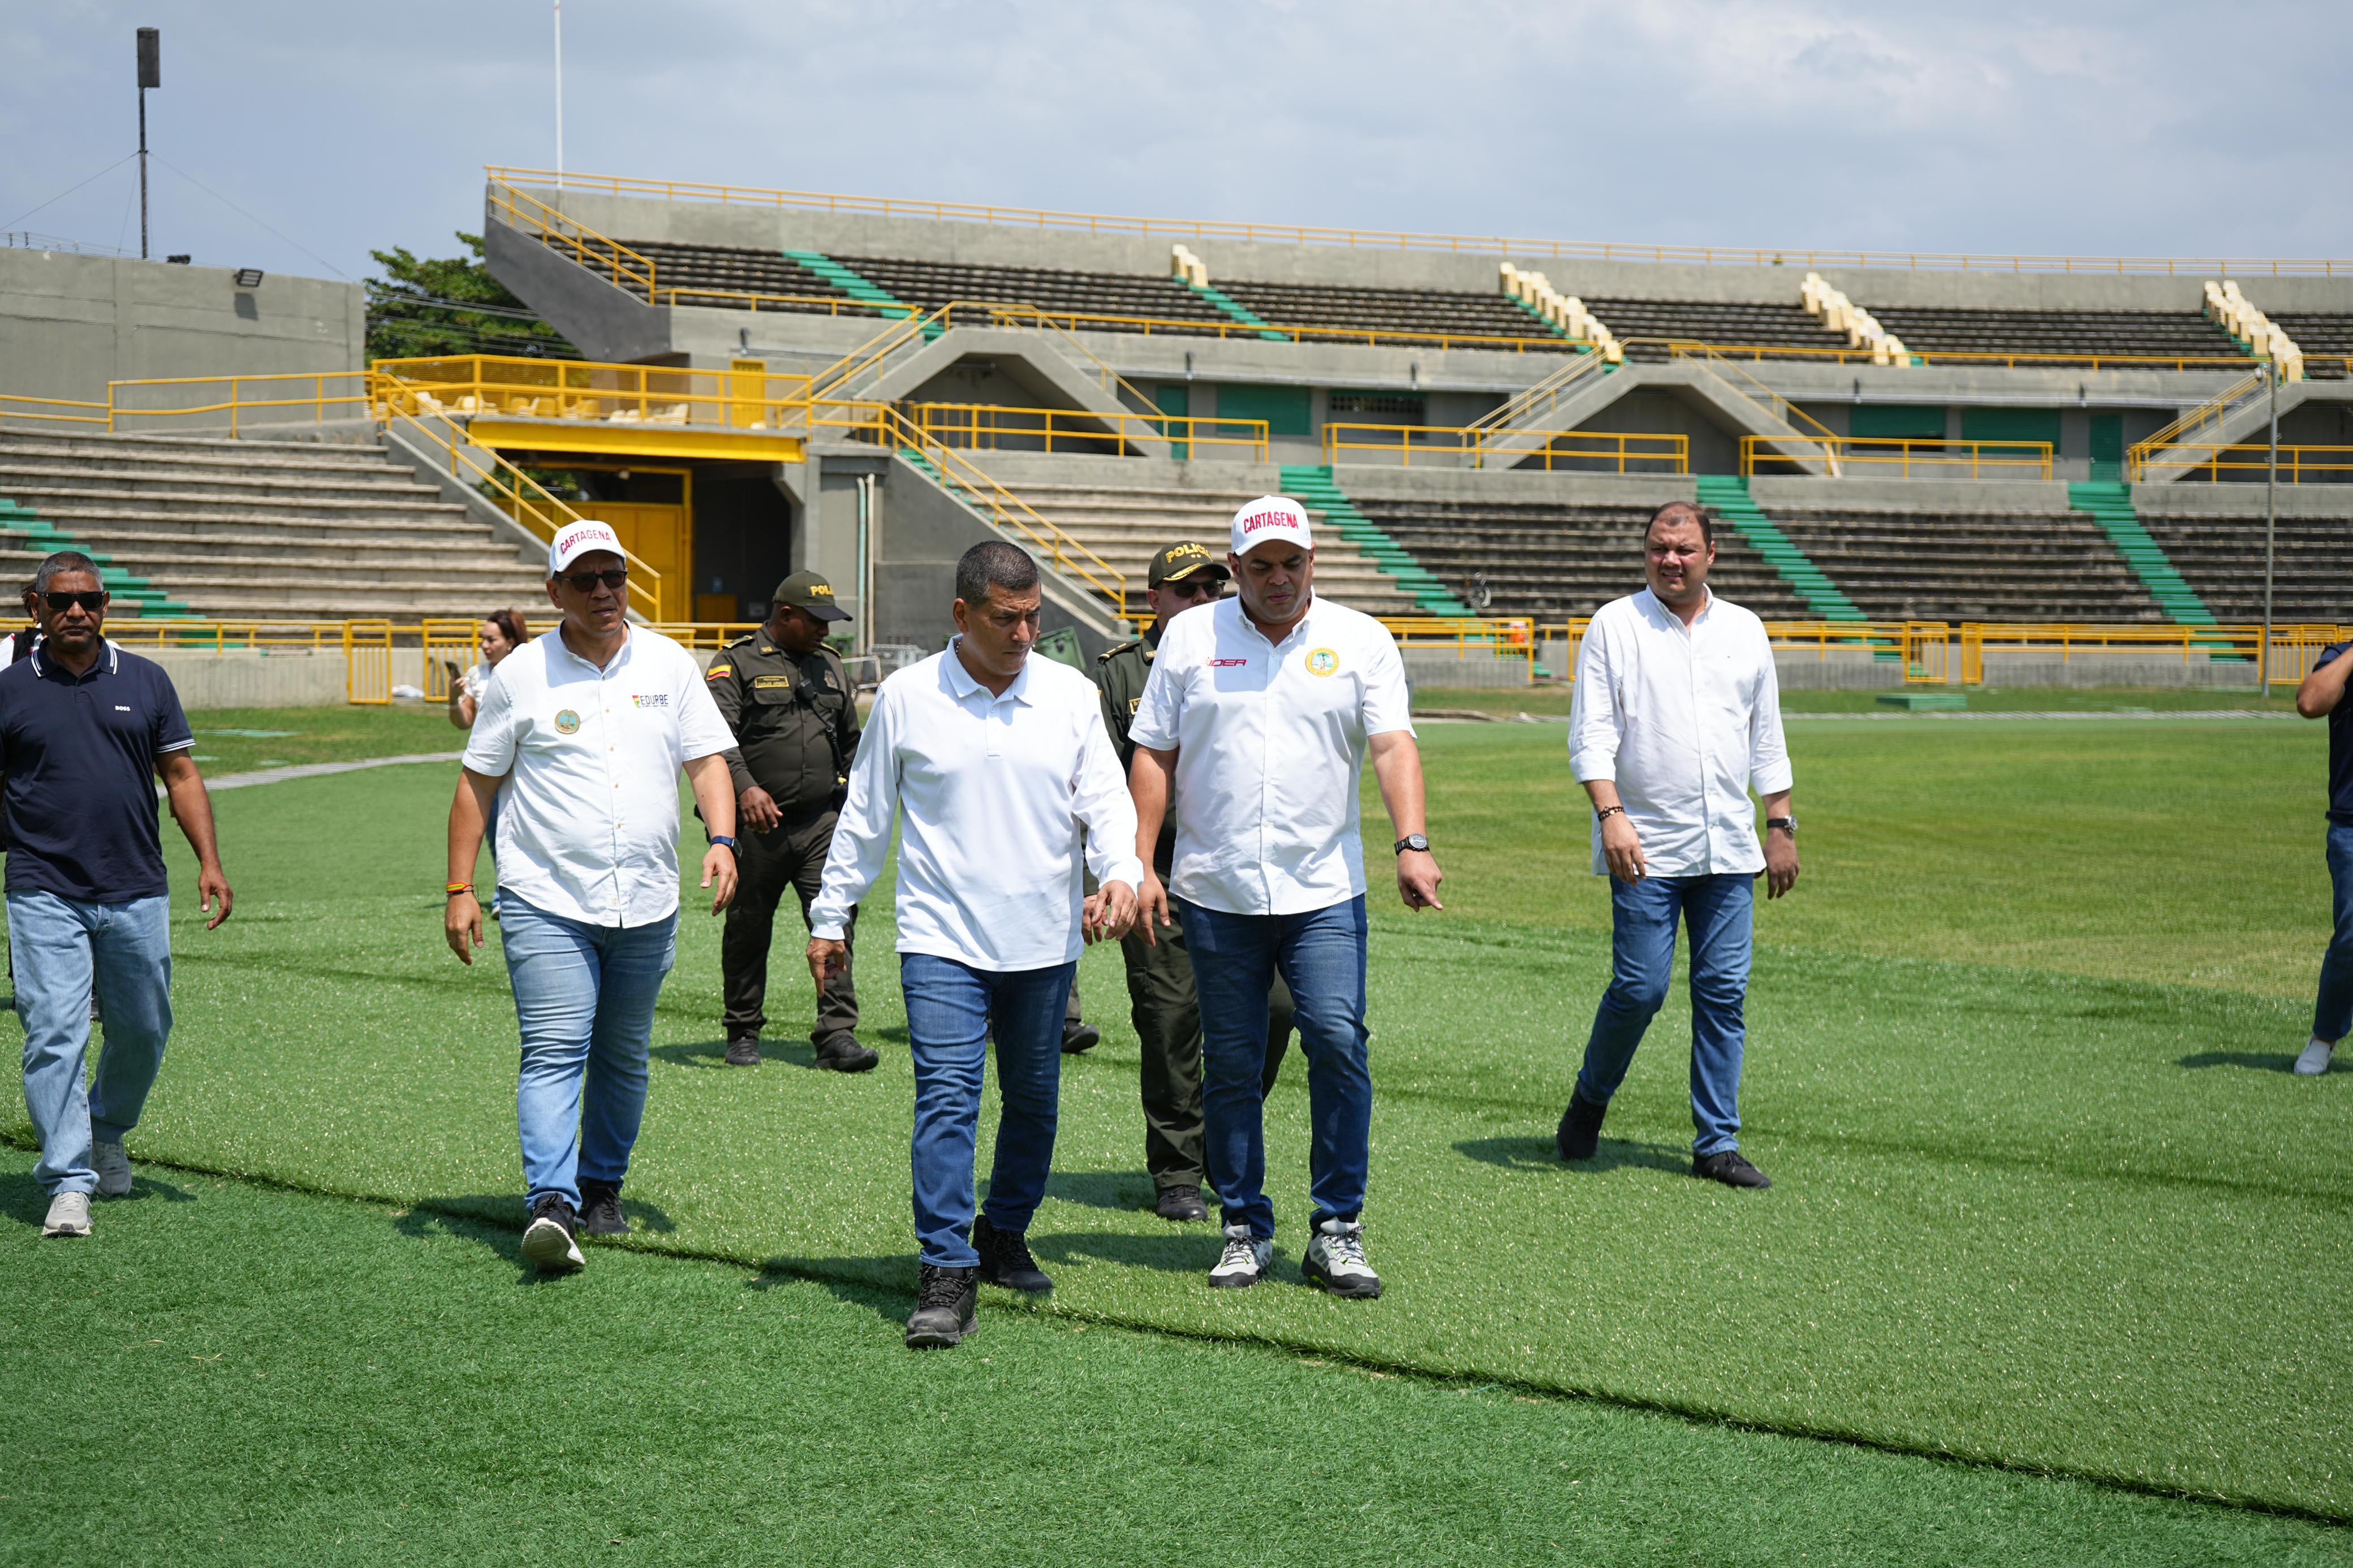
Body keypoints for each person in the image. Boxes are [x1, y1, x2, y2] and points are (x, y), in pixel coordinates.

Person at [808, 541, 1140, 1349]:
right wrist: (830, 914)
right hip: (941, 939)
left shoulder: (1070, 693)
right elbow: (867, 816)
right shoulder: (909, 696)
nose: (1023, 633)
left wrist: (1121, 874)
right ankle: (945, 1268)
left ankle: (1005, 1232)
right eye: (1005, 618)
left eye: (1033, 617)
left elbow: (1106, 798)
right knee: (949, 1097)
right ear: (962, 614)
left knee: (1033, 1100)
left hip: (1044, 940)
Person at [1129, 496, 1442, 1299]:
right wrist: (1140, 862)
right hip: (1216, 888)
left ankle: (1338, 1229)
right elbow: (1154, 754)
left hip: (1325, 890)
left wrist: (1412, 843)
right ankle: (1244, 1228)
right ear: (1233, 570)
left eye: (1291, 563)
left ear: (1313, 562)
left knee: (1337, 1041)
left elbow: (1393, 743)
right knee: (1232, 1065)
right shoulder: (1190, 638)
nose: (1278, 579)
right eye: (1260, 566)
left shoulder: (1361, 638)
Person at [444, 520, 742, 1273]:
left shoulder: (670, 663)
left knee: (622, 1056)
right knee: (554, 1050)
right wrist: (459, 887)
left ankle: (603, 1185)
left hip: (646, 899)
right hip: (546, 896)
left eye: (615, 577)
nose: (605, 591)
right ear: (555, 592)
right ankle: (551, 1200)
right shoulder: (520, 674)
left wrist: (722, 838)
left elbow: (707, 761)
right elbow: (477, 785)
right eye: (586, 580)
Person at [1558, 499, 1798, 1189]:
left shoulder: (1745, 630)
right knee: (1639, 988)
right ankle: (1589, 1099)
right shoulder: (1615, 624)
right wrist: (1610, 813)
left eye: (1684, 549)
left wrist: (1778, 825)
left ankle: (1715, 1141)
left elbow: (1766, 736)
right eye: (1658, 548)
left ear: (1711, 554)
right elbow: (1591, 733)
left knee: (1722, 991)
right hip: (1643, 845)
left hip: (1728, 846)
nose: (1670, 559)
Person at [2, 550, 232, 1239]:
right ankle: (70, 1179)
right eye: (63, 601)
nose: (78, 611)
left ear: (106, 606)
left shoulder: (148, 679)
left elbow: (181, 774)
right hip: (43, 886)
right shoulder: (8, 689)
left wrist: (210, 861)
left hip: (136, 884)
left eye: (91, 601)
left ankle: (107, 1128)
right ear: (35, 607)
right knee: (54, 1032)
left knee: (144, 1026)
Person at [1093, 540, 1295, 1224]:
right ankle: (1177, 1170)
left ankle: (1214, 1139)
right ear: (1154, 601)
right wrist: (1118, 870)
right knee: (1171, 1018)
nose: (1204, 600)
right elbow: (1096, 779)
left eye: (1213, 586)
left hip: (1236, 868)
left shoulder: (1238, 650)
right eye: (1188, 590)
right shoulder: (1117, 675)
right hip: (1157, 871)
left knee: (1277, 1010)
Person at [706, 572, 875, 1072]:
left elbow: (851, 741)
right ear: (785, 616)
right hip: (755, 828)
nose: (827, 630)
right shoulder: (735, 663)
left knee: (835, 918)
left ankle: (837, 1034)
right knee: (748, 926)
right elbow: (714, 738)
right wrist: (746, 788)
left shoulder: (829, 666)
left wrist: (862, 797)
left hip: (821, 820)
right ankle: (742, 1030)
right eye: (817, 621)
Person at [2292, 641, 2353, 1074]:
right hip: (2352, 825)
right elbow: (2310, 701)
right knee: (2351, 939)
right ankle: (2324, 1036)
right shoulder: (2340, 658)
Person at [447, 608, 529, 730]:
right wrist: (453, 699)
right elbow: (464, 723)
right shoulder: (475, 674)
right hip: (488, 748)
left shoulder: (529, 673)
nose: (484, 645)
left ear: (510, 642)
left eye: (492, 640)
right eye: (483, 639)